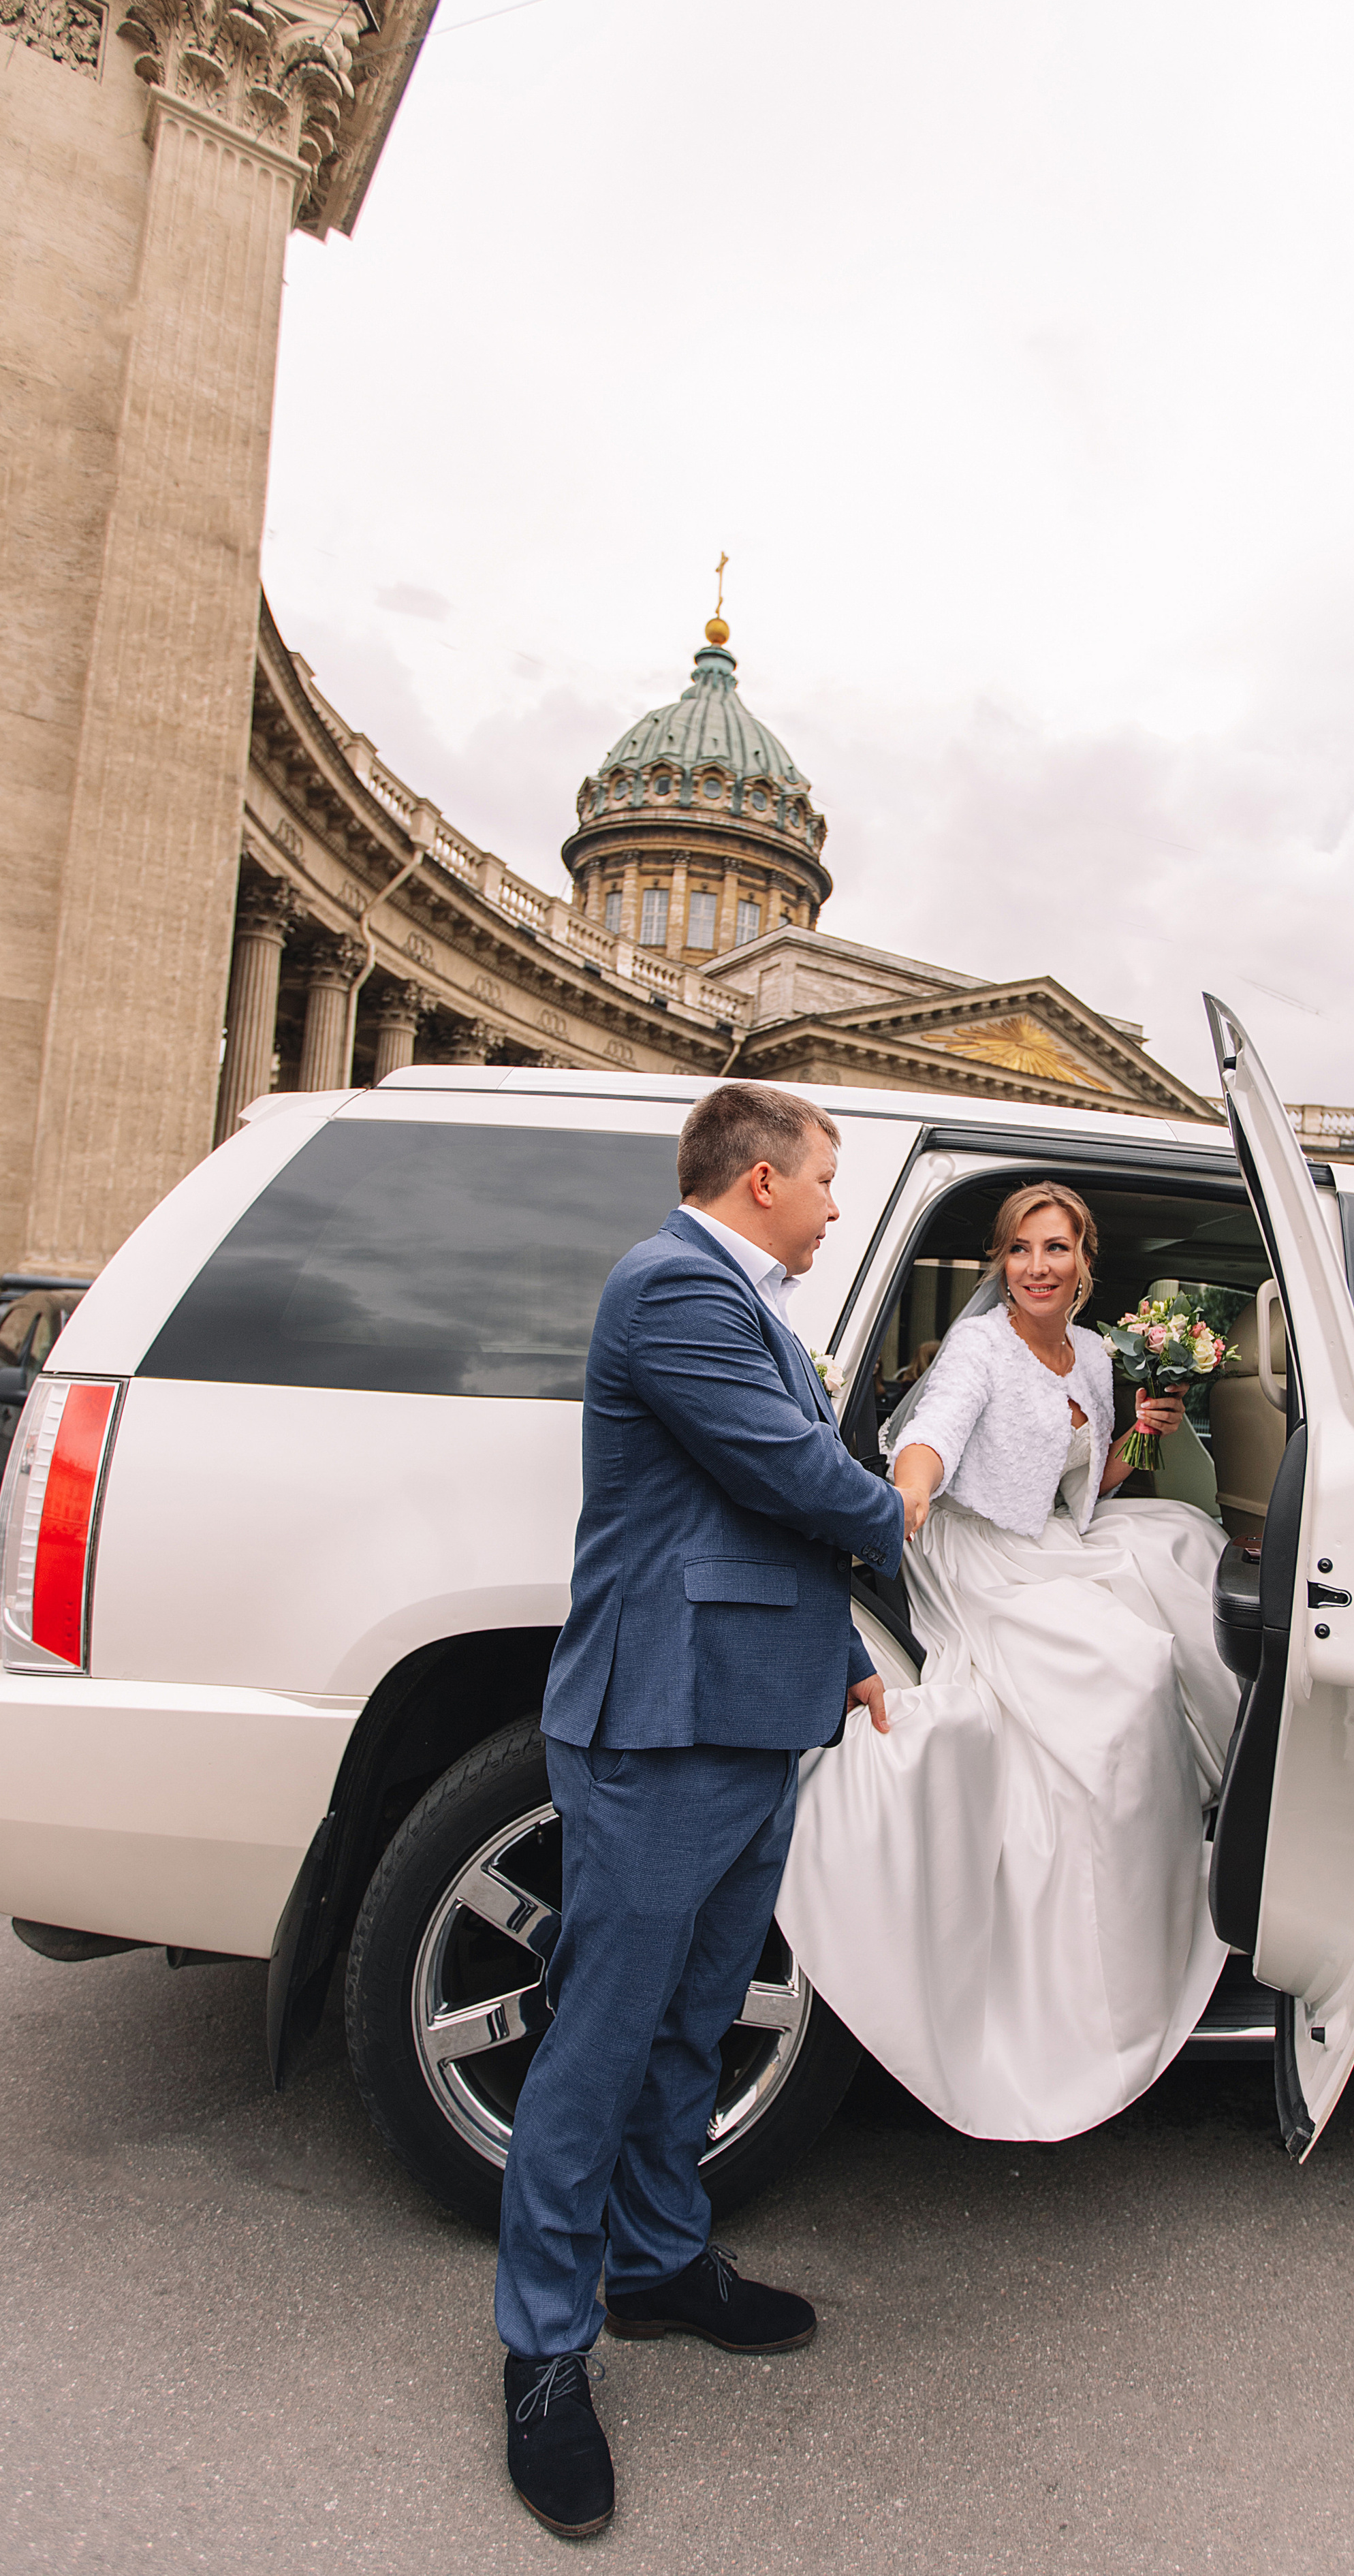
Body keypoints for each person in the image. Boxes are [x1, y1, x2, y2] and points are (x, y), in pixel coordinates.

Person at [495, 1083, 907, 2539]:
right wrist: (903, 1510)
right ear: (755, 1178)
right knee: (601, 2037)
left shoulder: (739, 1298)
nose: (833, 1202)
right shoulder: (674, 1286)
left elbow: (740, 1524)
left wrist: (840, 1655)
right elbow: (789, 1477)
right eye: (823, 1178)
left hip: (745, 1708)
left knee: (693, 2014)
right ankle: (543, 2351)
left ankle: (658, 2264)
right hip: (660, 1719)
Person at [777, 1180, 1242, 2144]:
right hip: (974, 1550)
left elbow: (1089, 1477)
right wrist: (901, 1501)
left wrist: (1134, 1447)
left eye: (1057, 1249)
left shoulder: (1099, 1357)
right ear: (1002, 1261)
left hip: (1050, 1542)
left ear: (1084, 1260)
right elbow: (937, 1435)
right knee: (1127, 1669)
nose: (1039, 1266)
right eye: (1023, 1249)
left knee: (1191, 1546)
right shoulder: (979, 1348)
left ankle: (1197, 1845)